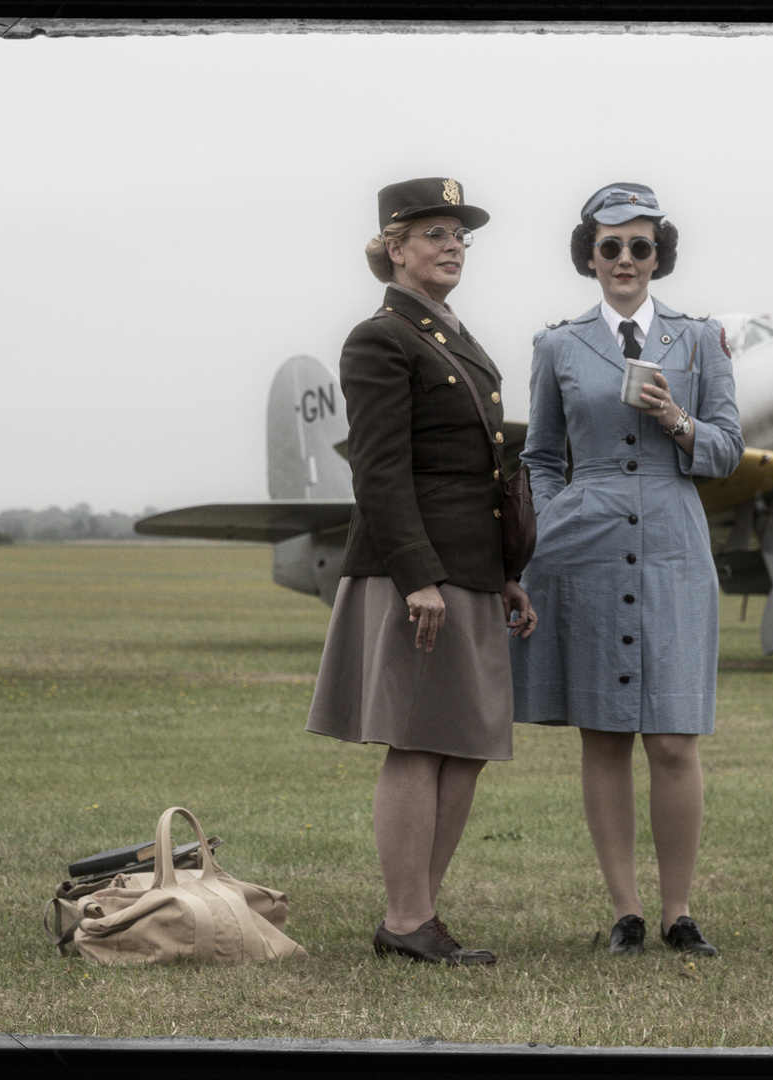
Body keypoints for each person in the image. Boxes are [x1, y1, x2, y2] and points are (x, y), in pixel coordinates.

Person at [307, 177, 537, 966]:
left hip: (469, 566)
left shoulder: (449, 336)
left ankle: (417, 916)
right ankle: (407, 920)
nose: (451, 246)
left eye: (459, 235)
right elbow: (379, 474)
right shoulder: (380, 338)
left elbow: (475, 468)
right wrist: (417, 578)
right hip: (419, 571)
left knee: (465, 742)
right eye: (433, 233)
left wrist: (504, 571)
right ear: (393, 249)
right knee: (417, 741)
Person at [510, 182, 744, 957]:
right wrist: (546, 527)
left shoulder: (701, 339)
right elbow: (540, 454)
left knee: (675, 738)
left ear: (658, 255)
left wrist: (675, 420)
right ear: (589, 255)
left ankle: (680, 912)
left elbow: (726, 451)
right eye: (609, 246)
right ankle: (627, 911)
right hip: (585, 543)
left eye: (640, 246)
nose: (625, 260)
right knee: (603, 735)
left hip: (676, 538)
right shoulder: (557, 346)